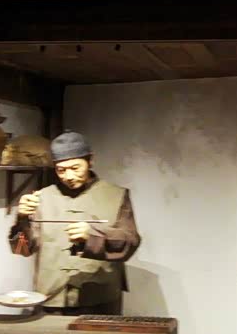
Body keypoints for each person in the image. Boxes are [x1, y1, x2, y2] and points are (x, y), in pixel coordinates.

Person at [9, 130, 140, 315]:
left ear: (90, 160)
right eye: (61, 170)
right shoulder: (41, 198)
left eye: (75, 168)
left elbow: (130, 242)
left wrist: (92, 236)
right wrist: (21, 219)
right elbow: (21, 249)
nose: (68, 176)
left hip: (100, 299)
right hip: (51, 299)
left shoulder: (116, 195)